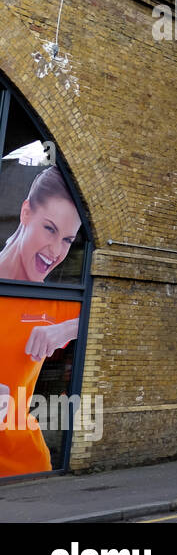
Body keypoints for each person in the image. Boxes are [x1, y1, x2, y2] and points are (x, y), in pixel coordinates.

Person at [0, 167, 83, 477]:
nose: (55, 251)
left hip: (26, 468)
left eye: (67, 239)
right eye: (49, 229)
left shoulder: (56, 304)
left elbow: (117, 312)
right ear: (25, 212)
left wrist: (65, 329)